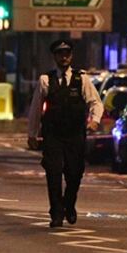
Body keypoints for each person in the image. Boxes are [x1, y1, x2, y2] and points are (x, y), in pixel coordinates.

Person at [26, 38, 104, 228]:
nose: (64, 57)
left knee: (74, 173)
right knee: (53, 173)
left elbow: (96, 102)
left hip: (75, 134)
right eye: (60, 54)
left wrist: (94, 121)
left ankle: (69, 204)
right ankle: (56, 213)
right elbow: (36, 109)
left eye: (67, 54)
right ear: (55, 57)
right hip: (53, 135)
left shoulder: (82, 79)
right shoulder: (46, 80)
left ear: (71, 56)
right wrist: (32, 134)